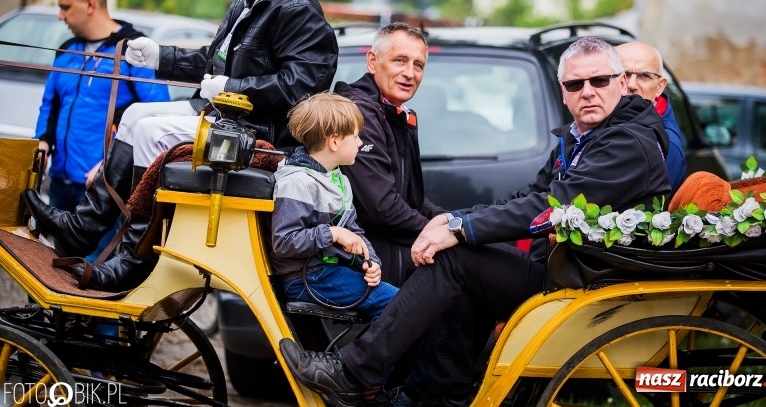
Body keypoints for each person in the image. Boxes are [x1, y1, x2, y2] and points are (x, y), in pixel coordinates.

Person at [279, 37, 672, 407]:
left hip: (592, 281)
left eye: (599, 81)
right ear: (563, 91)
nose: (587, 91)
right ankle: (436, 396)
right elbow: (529, 194)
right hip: (570, 269)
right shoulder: (588, 135)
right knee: (461, 256)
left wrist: (459, 228)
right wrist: (457, 219)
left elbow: (550, 204)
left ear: (622, 83)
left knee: (455, 256)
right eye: (575, 84)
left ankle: (351, 372)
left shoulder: (626, 143)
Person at [23, 0, 339, 291]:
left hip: (253, 134)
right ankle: (85, 226)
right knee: (135, 115)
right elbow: (214, 60)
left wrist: (233, 88)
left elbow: (302, 86)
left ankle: (134, 257)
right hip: (225, 118)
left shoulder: (298, 9)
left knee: (150, 132)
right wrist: (161, 57)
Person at [35, 0, 170, 257]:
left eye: (65, 7)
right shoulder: (67, 50)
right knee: (48, 261)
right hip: (59, 181)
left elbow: (156, 116)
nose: (60, 16)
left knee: (86, 270)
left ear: (89, 4)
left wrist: (108, 165)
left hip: (103, 190)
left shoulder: (134, 50)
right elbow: (51, 103)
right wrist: (42, 143)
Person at [333, 22, 443, 287]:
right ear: (372, 61)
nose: (410, 73)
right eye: (400, 60)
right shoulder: (359, 113)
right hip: (370, 266)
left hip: (395, 256)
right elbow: (382, 208)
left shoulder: (394, 112)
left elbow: (412, 200)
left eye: (418, 65)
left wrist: (454, 222)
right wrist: (438, 233)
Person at [271, 92, 397, 318]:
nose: (361, 143)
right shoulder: (297, 182)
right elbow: (284, 242)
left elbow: (354, 231)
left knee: (401, 303)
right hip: (307, 278)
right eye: (356, 136)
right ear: (334, 141)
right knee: (397, 305)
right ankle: (372, 344)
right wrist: (334, 234)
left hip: (327, 272)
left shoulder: (338, 179)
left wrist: (371, 262)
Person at [617, 41, 687, 191]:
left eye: (644, 76)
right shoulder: (590, 119)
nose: (631, 84)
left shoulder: (666, 145)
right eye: (624, 74)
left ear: (660, 87)